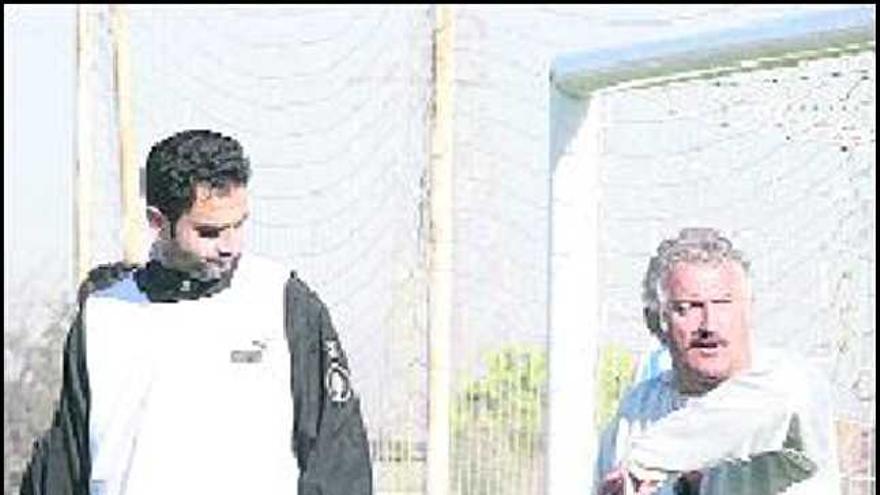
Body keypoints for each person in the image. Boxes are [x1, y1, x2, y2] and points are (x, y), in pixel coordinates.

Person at [20, 129, 373, 495]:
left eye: (239, 225)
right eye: (209, 232)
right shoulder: (102, 318)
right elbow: (65, 463)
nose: (230, 245)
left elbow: (338, 459)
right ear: (159, 222)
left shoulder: (284, 302)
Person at [595, 228, 840, 495]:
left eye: (723, 303)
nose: (709, 324)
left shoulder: (790, 384)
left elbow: (741, 417)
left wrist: (644, 463)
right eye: (689, 307)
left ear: (749, 311)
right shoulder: (639, 408)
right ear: (657, 320)